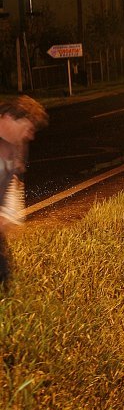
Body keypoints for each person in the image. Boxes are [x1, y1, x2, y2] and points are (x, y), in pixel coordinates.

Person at [0, 95, 48, 284]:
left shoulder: (17, 145)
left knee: (4, 273)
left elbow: (14, 178)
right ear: (10, 117)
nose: (30, 136)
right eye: (28, 128)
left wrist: (8, 211)